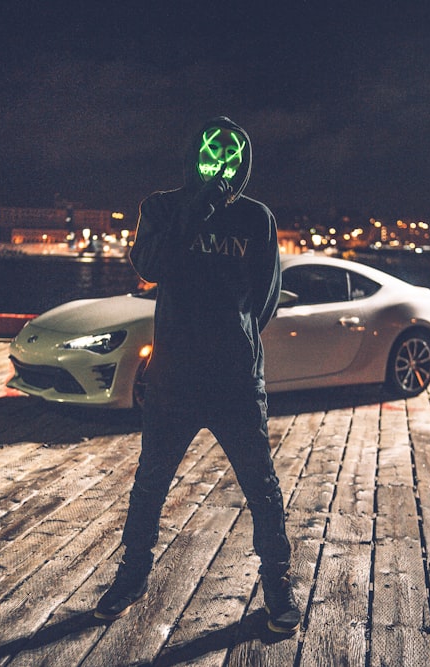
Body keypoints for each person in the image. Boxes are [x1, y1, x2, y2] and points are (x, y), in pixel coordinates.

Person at [94, 116, 301, 634]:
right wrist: (197, 207)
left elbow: (265, 296)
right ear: (194, 155)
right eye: (211, 152)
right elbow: (149, 265)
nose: (220, 163)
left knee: (261, 486)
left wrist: (237, 339)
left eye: (231, 155)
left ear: (244, 163)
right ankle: (133, 574)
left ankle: (277, 583)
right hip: (173, 380)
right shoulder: (162, 207)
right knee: (151, 483)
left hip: (234, 382)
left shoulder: (257, 219)